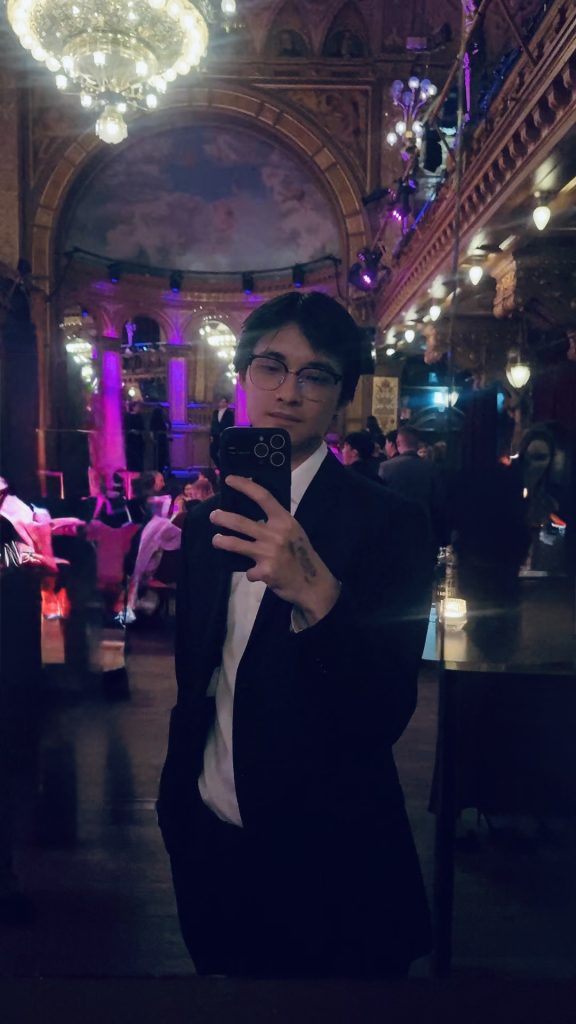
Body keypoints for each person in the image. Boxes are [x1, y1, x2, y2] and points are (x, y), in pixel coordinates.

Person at [157, 291, 433, 979]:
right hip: (211, 843)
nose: (288, 391)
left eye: (315, 374)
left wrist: (318, 593)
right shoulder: (204, 525)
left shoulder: (392, 524)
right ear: (243, 376)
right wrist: (180, 813)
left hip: (332, 864)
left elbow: (385, 711)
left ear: (342, 395)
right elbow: (201, 683)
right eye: (271, 366)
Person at [379, 426, 446, 546]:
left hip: (395, 528)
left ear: (398, 443)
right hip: (423, 527)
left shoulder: (386, 467)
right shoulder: (431, 468)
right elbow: (438, 502)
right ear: (418, 444)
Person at [209, 397, 234, 469]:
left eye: (224, 402)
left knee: (224, 454)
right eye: (221, 402)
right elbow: (213, 424)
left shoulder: (229, 413)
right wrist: (211, 435)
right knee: (212, 453)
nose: (222, 403)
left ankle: (225, 469)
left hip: (224, 436)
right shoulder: (215, 412)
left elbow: (230, 425)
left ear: (227, 403)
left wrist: (224, 433)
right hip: (215, 436)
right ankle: (220, 468)